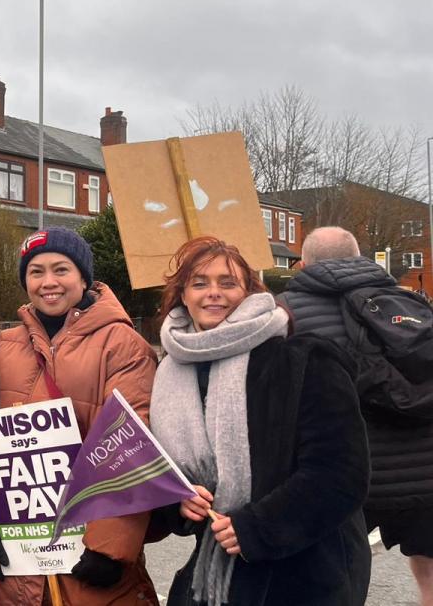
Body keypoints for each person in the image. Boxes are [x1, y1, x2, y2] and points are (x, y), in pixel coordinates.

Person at [150, 236, 370, 606]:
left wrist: (260, 528)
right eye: (199, 282)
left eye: (228, 282)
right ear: (182, 295)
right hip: (213, 576)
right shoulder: (171, 373)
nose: (213, 293)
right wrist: (178, 503)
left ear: (250, 292)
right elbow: (169, 469)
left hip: (305, 574)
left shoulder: (304, 360)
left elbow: (341, 472)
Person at [0, 227, 160, 604]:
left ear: (84, 276)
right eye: (36, 272)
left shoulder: (123, 346)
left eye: (61, 269)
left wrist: (110, 548)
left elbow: (132, 445)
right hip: (20, 565)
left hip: (90, 562)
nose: (48, 282)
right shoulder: (4, 346)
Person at [280, 226, 433, 605]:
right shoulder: (408, 303)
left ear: (303, 262)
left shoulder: (285, 311)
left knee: (335, 576)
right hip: (424, 471)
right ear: (360, 256)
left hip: (342, 474)